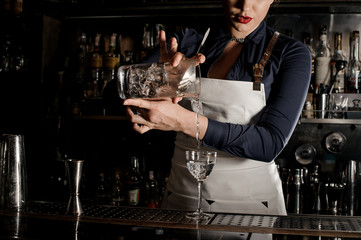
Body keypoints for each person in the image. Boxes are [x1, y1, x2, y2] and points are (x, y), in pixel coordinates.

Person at [122, 0, 311, 216]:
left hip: (252, 207)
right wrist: (158, 80)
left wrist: (183, 122)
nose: (245, 6)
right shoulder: (186, 42)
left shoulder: (291, 53)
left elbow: (269, 143)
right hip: (182, 201)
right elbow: (118, 95)